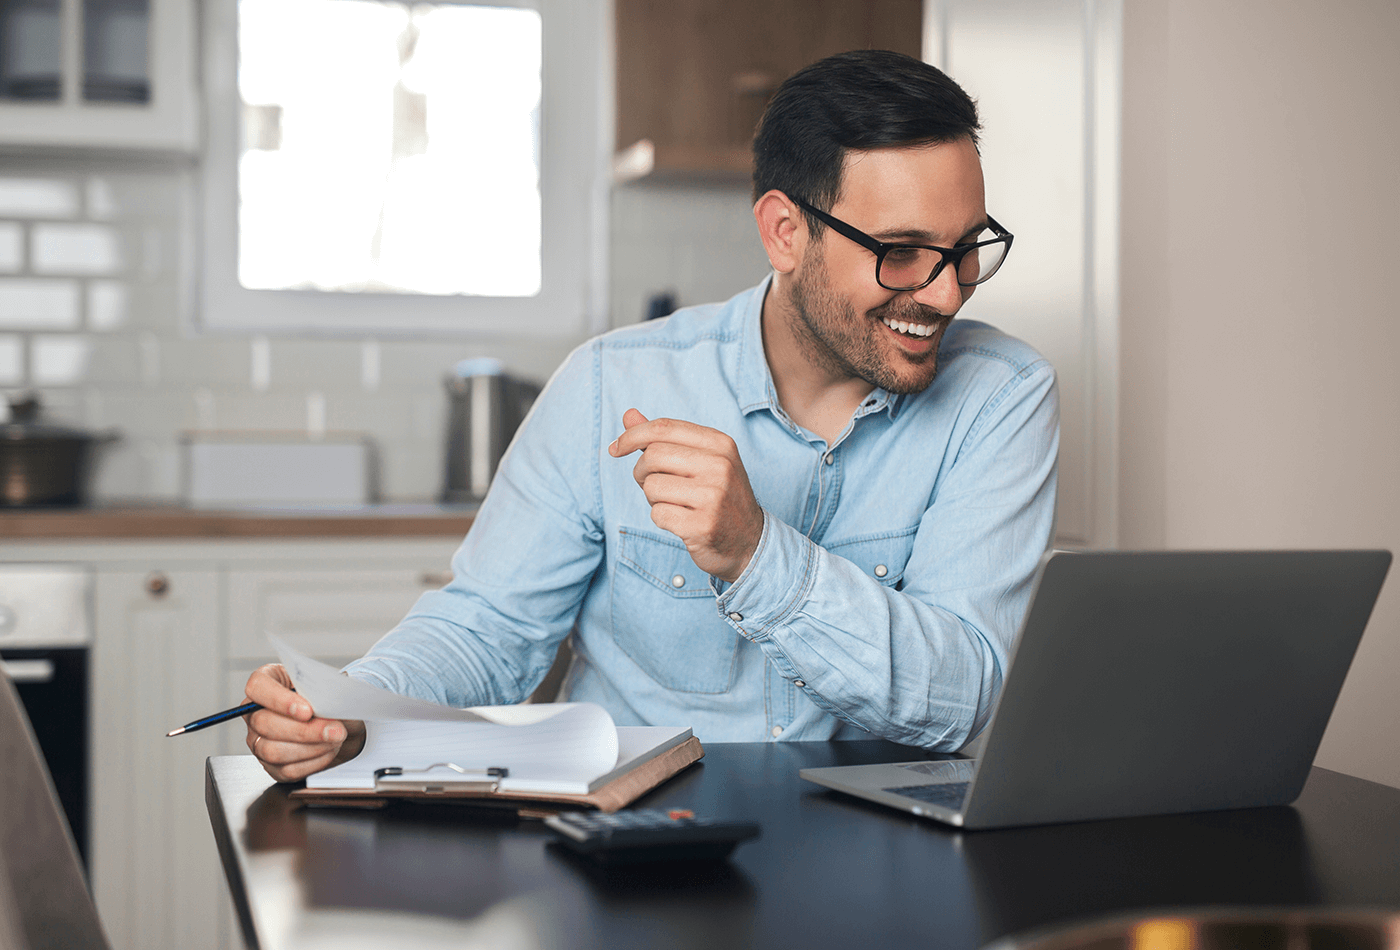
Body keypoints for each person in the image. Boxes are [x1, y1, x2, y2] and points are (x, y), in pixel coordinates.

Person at [245, 49, 1059, 782]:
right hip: (627, 847)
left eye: (966, 247)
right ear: (784, 231)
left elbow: (961, 700)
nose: (947, 290)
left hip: (882, 859)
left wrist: (754, 551)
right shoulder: (610, 381)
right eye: (902, 251)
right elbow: (490, 627)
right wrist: (354, 706)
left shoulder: (1001, 397)